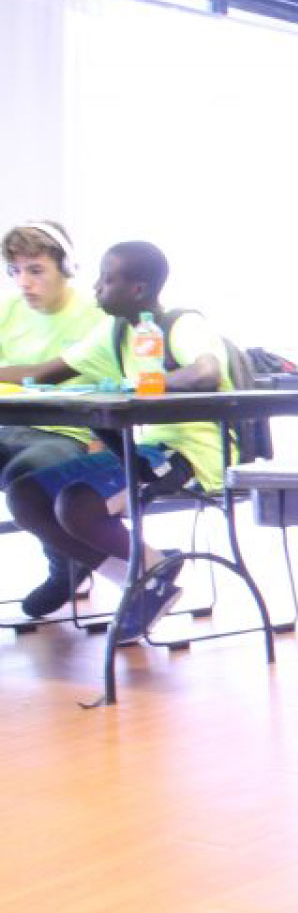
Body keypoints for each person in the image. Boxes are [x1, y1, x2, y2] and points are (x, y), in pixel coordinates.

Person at [0, 241, 230, 638]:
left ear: (137, 289)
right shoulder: (116, 330)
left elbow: (205, 373)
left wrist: (140, 384)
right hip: (146, 451)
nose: (95, 289)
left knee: (76, 502)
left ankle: (150, 574)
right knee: (26, 494)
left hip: (193, 455)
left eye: (106, 281)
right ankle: (146, 573)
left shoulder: (183, 323)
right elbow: (47, 372)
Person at [2, 221, 108, 616]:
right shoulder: (9, 310)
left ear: (65, 267)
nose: (24, 283)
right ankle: (78, 559)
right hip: (10, 423)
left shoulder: (96, 314)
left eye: (35, 270)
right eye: (15, 271)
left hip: (70, 433)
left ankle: (67, 565)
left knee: (27, 474)